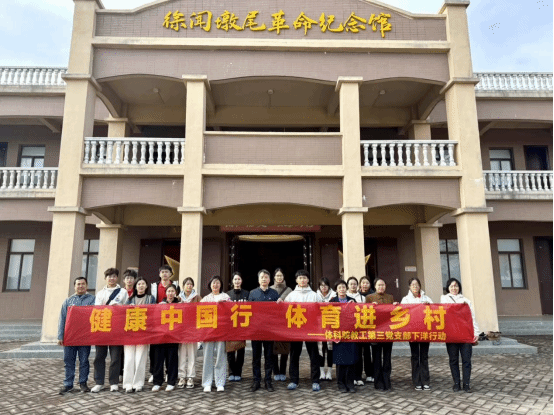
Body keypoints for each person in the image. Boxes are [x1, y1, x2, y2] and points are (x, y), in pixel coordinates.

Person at [280, 270, 322, 392]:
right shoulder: (291, 295)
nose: (302, 280)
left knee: (314, 356)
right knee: (294, 355)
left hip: (311, 329)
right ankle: (294, 380)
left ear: (308, 280)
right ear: (296, 280)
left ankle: (315, 381)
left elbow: (322, 310)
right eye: (300, 278)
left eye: (304, 278)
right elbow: (284, 311)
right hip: (296, 330)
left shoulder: (314, 295)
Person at [92, 268, 128, 393]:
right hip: (102, 328)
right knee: (99, 357)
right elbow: (97, 309)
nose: (111, 278)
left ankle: (114, 382)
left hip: (117, 328)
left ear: (117, 278)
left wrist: (118, 307)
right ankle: (99, 382)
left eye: (114, 276)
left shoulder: (123, 292)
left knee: (115, 357)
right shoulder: (100, 293)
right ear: (105, 278)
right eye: (109, 276)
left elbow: (127, 308)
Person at [441, 277, 480, 393]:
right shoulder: (444, 299)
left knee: (466, 360)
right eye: (452, 286)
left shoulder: (466, 301)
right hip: (452, 335)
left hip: (465, 334)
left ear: (459, 287)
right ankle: (456, 383)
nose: (454, 288)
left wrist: (476, 332)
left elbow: (472, 317)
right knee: (453, 360)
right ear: (448, 288)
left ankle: (466, 384)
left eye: (456, 286)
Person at [58, 277, 96, 395]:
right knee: (69, 361)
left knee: (84, 361)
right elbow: (62, 319)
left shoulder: (92, 300)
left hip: (85, 336)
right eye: (78, 284)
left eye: (83, 284)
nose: (80, 286)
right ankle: (68, 384)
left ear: (87, 286)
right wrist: (60, 336)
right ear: (74, 286)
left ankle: (83, 383)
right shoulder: (68, 301)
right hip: (70, 337)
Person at [248, 269, 280, 392]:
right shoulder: (253, 293)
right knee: (256, 357)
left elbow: (278, 312)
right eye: (262, 277)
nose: (264, 279)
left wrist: (280, 303)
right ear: (258, 279)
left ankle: (268, 381)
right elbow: (248, 311)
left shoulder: (274, 293)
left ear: (269, 280)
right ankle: (256, 381)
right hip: (256, 330)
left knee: (269, 357)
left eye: (266, 277)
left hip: (269, 330)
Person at [401, 277, 434, 391]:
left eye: (417, 284)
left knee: (424, 356)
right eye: (413, 285)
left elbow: (435, 310)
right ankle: (416, 381)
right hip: (413, 332)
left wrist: (429, 305)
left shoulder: (426, 298)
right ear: (409, 287)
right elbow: (402, 312)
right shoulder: (405, 299)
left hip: (425, 331)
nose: (415, 287)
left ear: (420, 286)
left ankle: (425, 381)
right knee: (415, 356)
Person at [123, 277, 155, 393]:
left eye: (143, 284)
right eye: (139, 284)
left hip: (143, 333)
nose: (141, 286)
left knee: (140, 358)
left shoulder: (151, 298)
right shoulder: (129, 300)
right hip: (130, 333)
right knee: (129, 359)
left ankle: (138, 383)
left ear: (146, 286)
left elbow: (154, 313)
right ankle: (128, 384)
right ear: (135, 287)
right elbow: (123, 314)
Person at [366, 278, 397, 392]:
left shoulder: (390, 297)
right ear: (375, 286)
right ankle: (378, 381)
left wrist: (395, 305)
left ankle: (387, 380)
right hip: (375, 332)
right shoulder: (369, 298)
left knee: (387, 357)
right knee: (377, 357)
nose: (381, 287)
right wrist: (370, 306)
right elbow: (365, 313)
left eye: (383, 285)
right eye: (379, 285)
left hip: (388, 332)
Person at [201, 276, 231, 392]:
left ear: (221, 285)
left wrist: (225, 304)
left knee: (220, 357)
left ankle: (220, 382)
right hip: (208, 331)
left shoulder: (225, 297)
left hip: (221, 331)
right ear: (210, 285)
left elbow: (232, 310)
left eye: (218, 283)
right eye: (213, 283)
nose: (215, 285)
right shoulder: (205, 298)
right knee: (207, 357)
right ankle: (207, 383)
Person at [148, 265, 178, 383]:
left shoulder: (176, 285)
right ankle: (154, 372)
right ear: (159, 274)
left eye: (167, 272)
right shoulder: (154, 286)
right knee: (155, 350)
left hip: (171, 320)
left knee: (171, 350)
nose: (164, 274)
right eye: (162, 272)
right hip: (157, 320)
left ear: (170, 274)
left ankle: (169, 374)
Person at [330, 280, 358, 393]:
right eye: (339, 287)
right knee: (340, 361)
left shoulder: (352, 300)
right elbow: (329, 319)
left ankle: (350, 384)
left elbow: (358, 315)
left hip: (351, 334)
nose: (342, 289)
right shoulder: (332, 301)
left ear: (346, 289)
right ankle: (341, 384)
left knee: (351, 360)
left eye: (343, 287)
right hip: (338, 336)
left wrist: (354, 305)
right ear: (336, 290)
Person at [152, 284, 181, 392]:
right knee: (158, 360)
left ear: (176, 293)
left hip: (173, 337)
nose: (170, 293)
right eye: (168, 291)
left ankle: (171, 382)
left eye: (172, 291)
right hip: (160, 337)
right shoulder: (160, 304)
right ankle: (157, 382)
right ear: (166, 293)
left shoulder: (180, 305)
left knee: (172, 360)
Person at [177, 277, 202, 389]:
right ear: (183, 286)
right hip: (181, 330)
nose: (189, 286)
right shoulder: (179, 298)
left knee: (192, 354)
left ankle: (191, 377)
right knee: (182, 354)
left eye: (191, 284)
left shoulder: (197, 297)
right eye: (187, 284)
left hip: (193, 330)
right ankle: (182, 376)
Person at [226, 272, 249, 382]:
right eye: (235, 279)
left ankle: (238, 372)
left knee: (240, 350)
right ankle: (231, 372)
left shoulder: (247, 294)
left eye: (239, 279)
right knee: (230, 350)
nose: (237, 281)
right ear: (232, 281)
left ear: (241, 281)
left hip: (242, 326)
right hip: (230, 326)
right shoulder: (227, 295)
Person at [270, 268, 292, 382]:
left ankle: (283, 371)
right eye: (277, 276)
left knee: (285, 348)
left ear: (283, 277)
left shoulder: (289, 290)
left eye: (281, 276)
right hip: (272, 323)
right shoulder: (269, 290)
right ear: (274, 277)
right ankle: (276, 371)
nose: (279, 278)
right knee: (273, 348)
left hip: (285, 323)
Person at [346, 276, 365, 386]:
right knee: (349, 353)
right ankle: (351, 377)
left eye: (355, 284)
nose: (353, 286)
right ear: (347, 285)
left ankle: (358, 377)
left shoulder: (362, 298)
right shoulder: (344, 297)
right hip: (347, 330)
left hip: (358, 329)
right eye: (351, 284)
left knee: (358, 354)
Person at [316, 277, 336, 381]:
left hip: (331, 326)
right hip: (319, 327)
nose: (324, 287)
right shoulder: (315, 296)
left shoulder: (334, 296)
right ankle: (321, 372)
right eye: (321, 285)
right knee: (321, 350)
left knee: (330, 350)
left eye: (325, 285)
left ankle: (329, 372)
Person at [358, 276, 375, 384]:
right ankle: (358, 375)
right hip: (358, 327)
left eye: (367, 283)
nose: (365, 285)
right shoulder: (356, 295)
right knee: (359, 352)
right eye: (363, 283)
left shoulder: (373, 295)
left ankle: (369, 373)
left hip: (369, 326)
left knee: (368, 352)